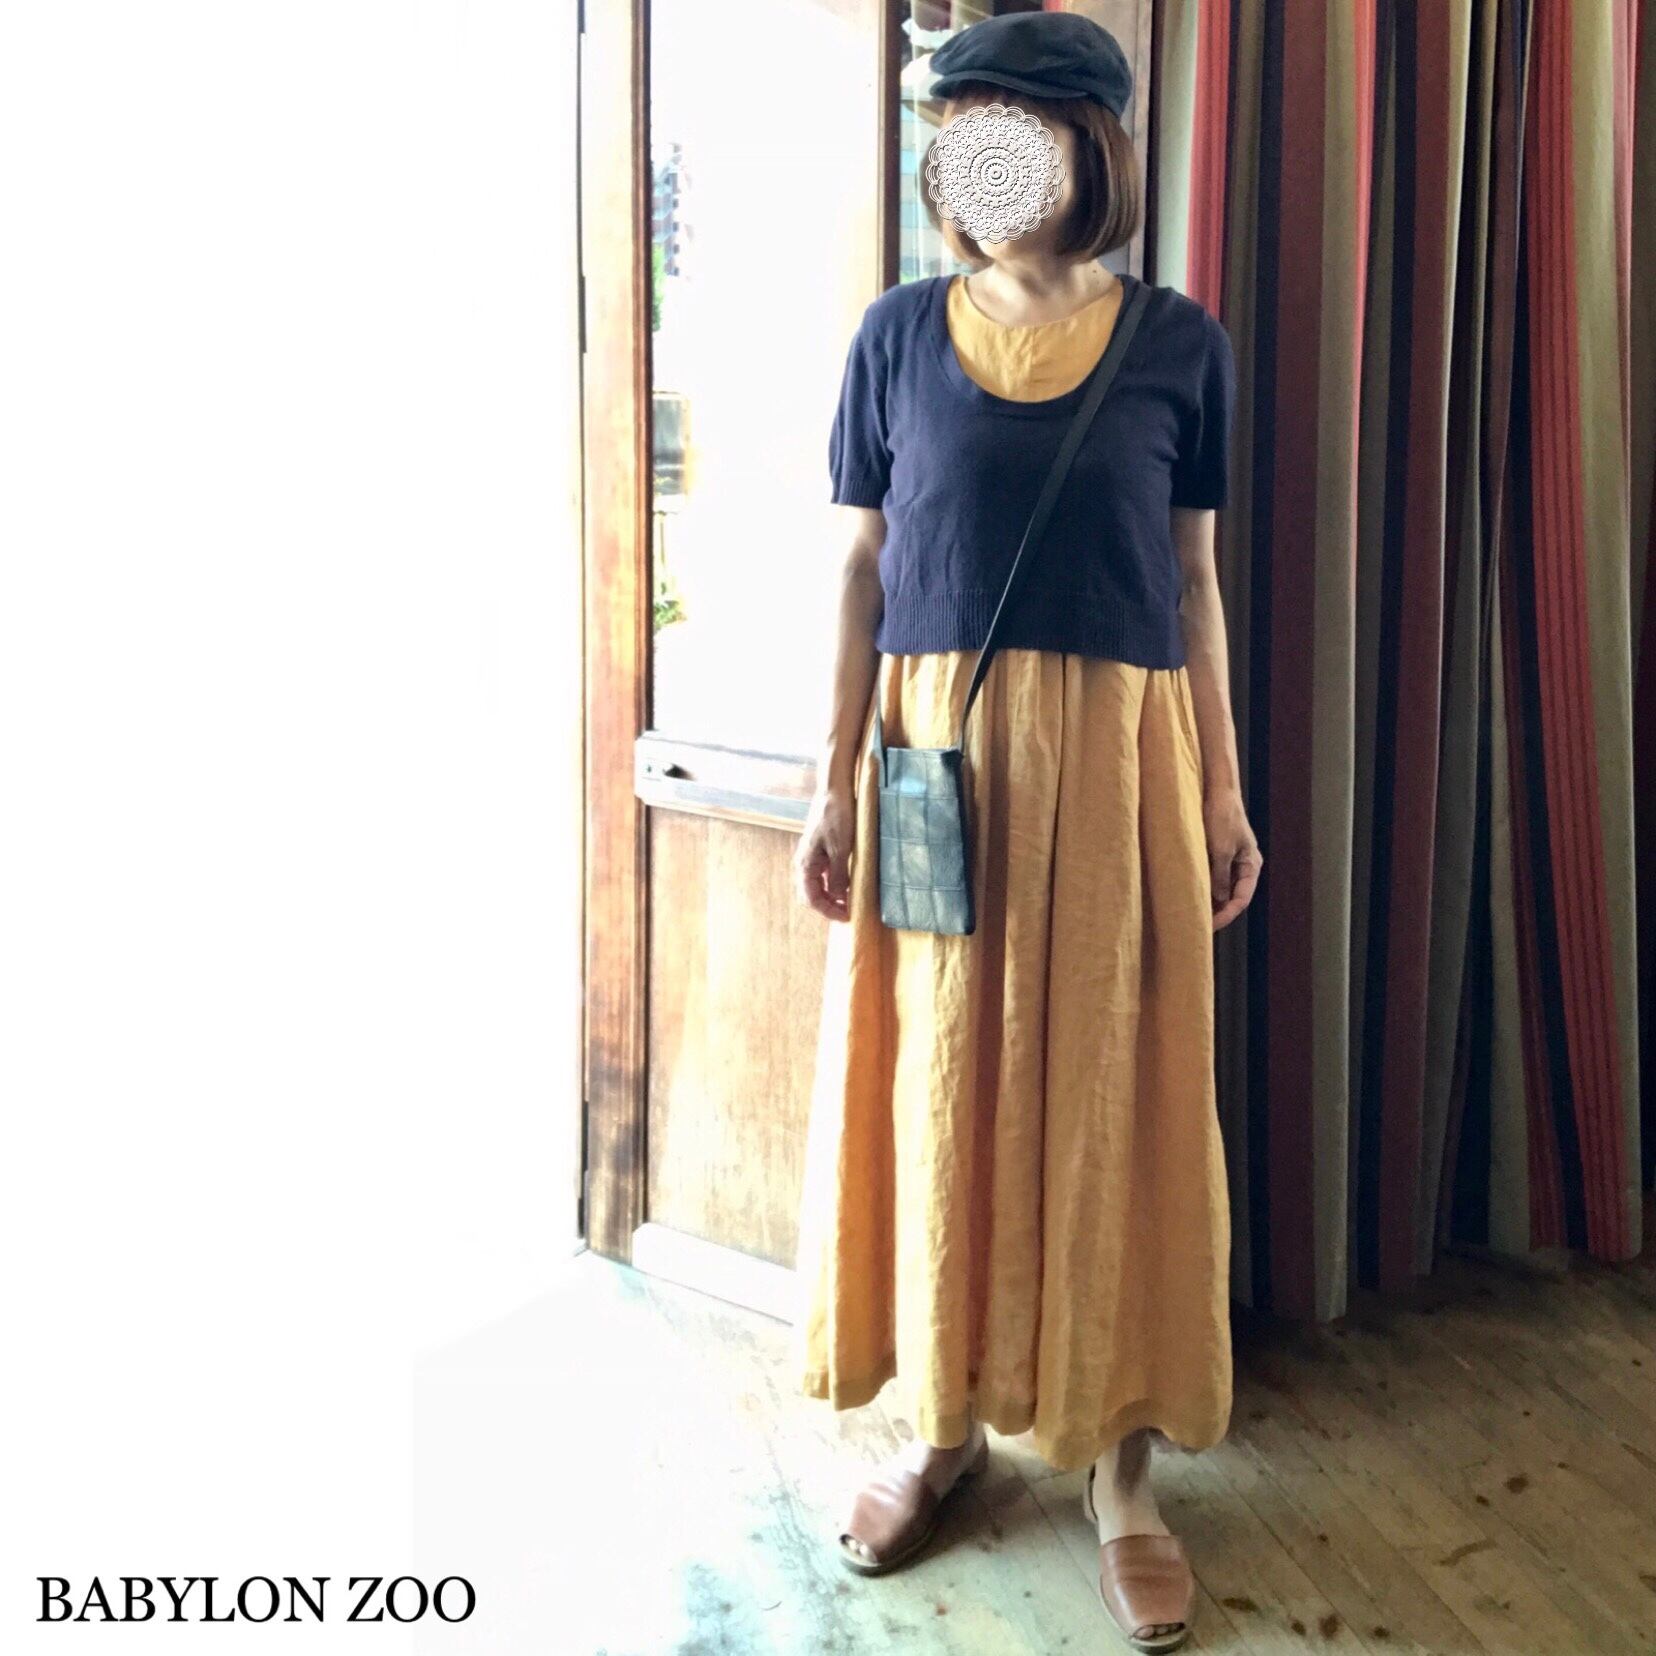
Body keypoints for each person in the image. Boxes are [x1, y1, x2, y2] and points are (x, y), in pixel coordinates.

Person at [788, 11, 1262, 1652]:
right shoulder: (894, 337)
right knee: (945, 1082)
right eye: (960, 131)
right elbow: (863, 569)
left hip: (1122, 761)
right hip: (941, 768)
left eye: (1012, 125)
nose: (978, 159)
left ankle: (1122, 1472)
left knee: (1116, 1092)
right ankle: (944, 1427)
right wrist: (831, 775)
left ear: (1091, 147)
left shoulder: (1180, 343)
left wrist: (1222, 787)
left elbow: (1194, 582)